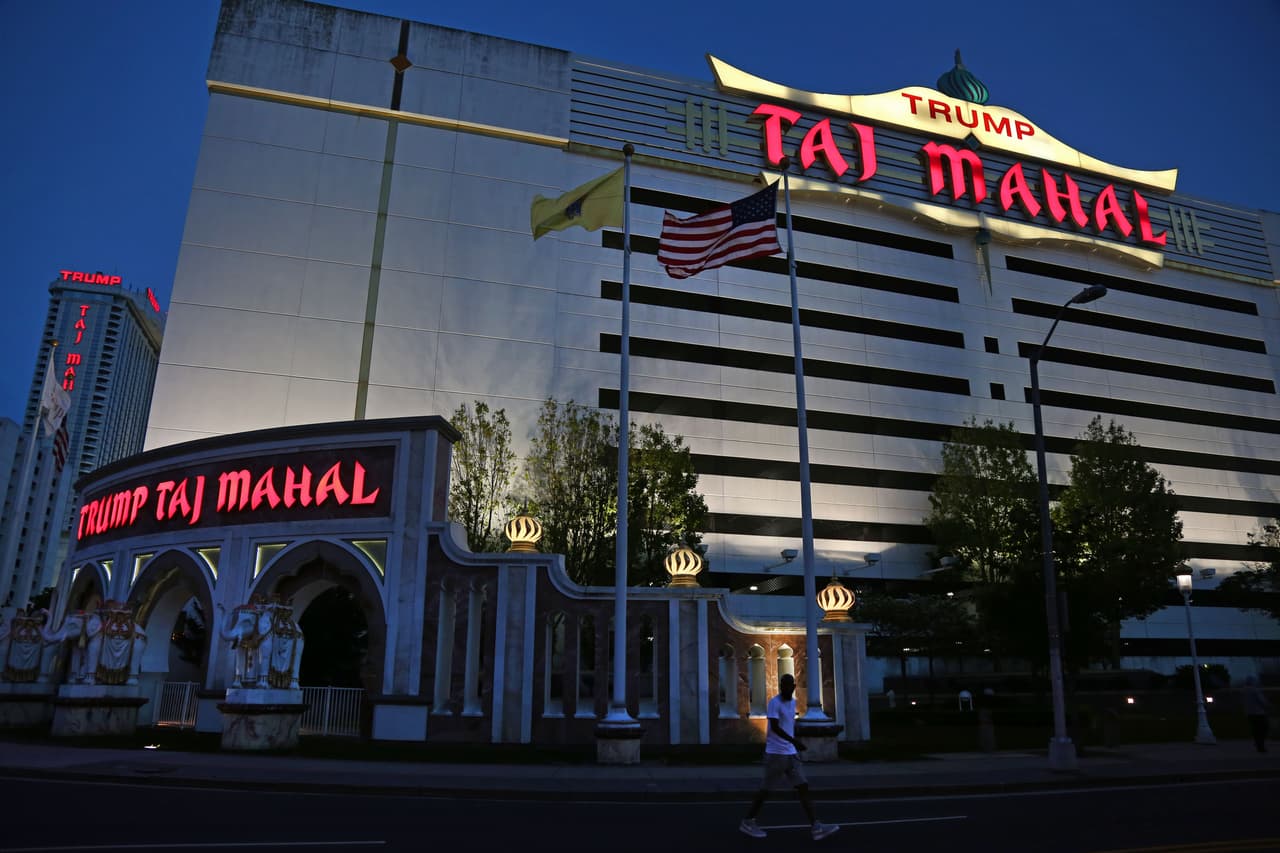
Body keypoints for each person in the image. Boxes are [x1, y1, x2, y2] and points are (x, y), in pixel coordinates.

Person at [739, 673, 839, 841]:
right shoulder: (774, 703)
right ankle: (748, 821)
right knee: (766, 790)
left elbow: (789, 725)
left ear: (793, 687)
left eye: (789, 686)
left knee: (803, 787)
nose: (786, 688)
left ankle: (816, 827)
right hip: (776, 754)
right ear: (780, 686)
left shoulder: (792, 702)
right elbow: (775, 727)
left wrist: (795, 740)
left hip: (791, 754)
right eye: (783, 685)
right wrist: (794, 741)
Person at [1242, 675, 1272, 753]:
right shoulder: (1255, 690)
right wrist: (1268, 705)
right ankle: (1260, 745)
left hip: (1249, 713)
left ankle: (1258, 743)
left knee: (1255, 729)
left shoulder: (1244, 691)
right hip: (1258, 713)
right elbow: (1261, 700)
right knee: (1263, 728)